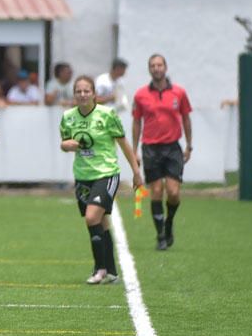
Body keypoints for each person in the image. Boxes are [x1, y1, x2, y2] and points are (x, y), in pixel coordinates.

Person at [59, 76, 142, 284]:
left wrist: (136, 171)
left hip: (106, 173)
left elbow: (123, 144)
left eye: (87, 91)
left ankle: (100, 269)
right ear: (74, 94)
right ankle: (111, 269)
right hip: (82, 176)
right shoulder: (68, 117)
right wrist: (66, 145)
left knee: (91, 217)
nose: (82, 94)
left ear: (94, 94)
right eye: (78, 91)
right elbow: (65, 142)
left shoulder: (107, 115)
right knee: (101, 221)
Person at [132, 54, 193, 251]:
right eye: (152, 65)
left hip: (172, 147)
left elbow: (186, 118)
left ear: (165, 67)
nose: (156, 68)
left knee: (174, 192)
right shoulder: (141, 95)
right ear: (149, 69)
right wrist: (134, 150)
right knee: (156, 191)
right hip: (150, 148)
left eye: (159, 65)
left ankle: (169, 222)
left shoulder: (179, 92)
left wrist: (189, 145)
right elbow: (136, 122)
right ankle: (160, 235)